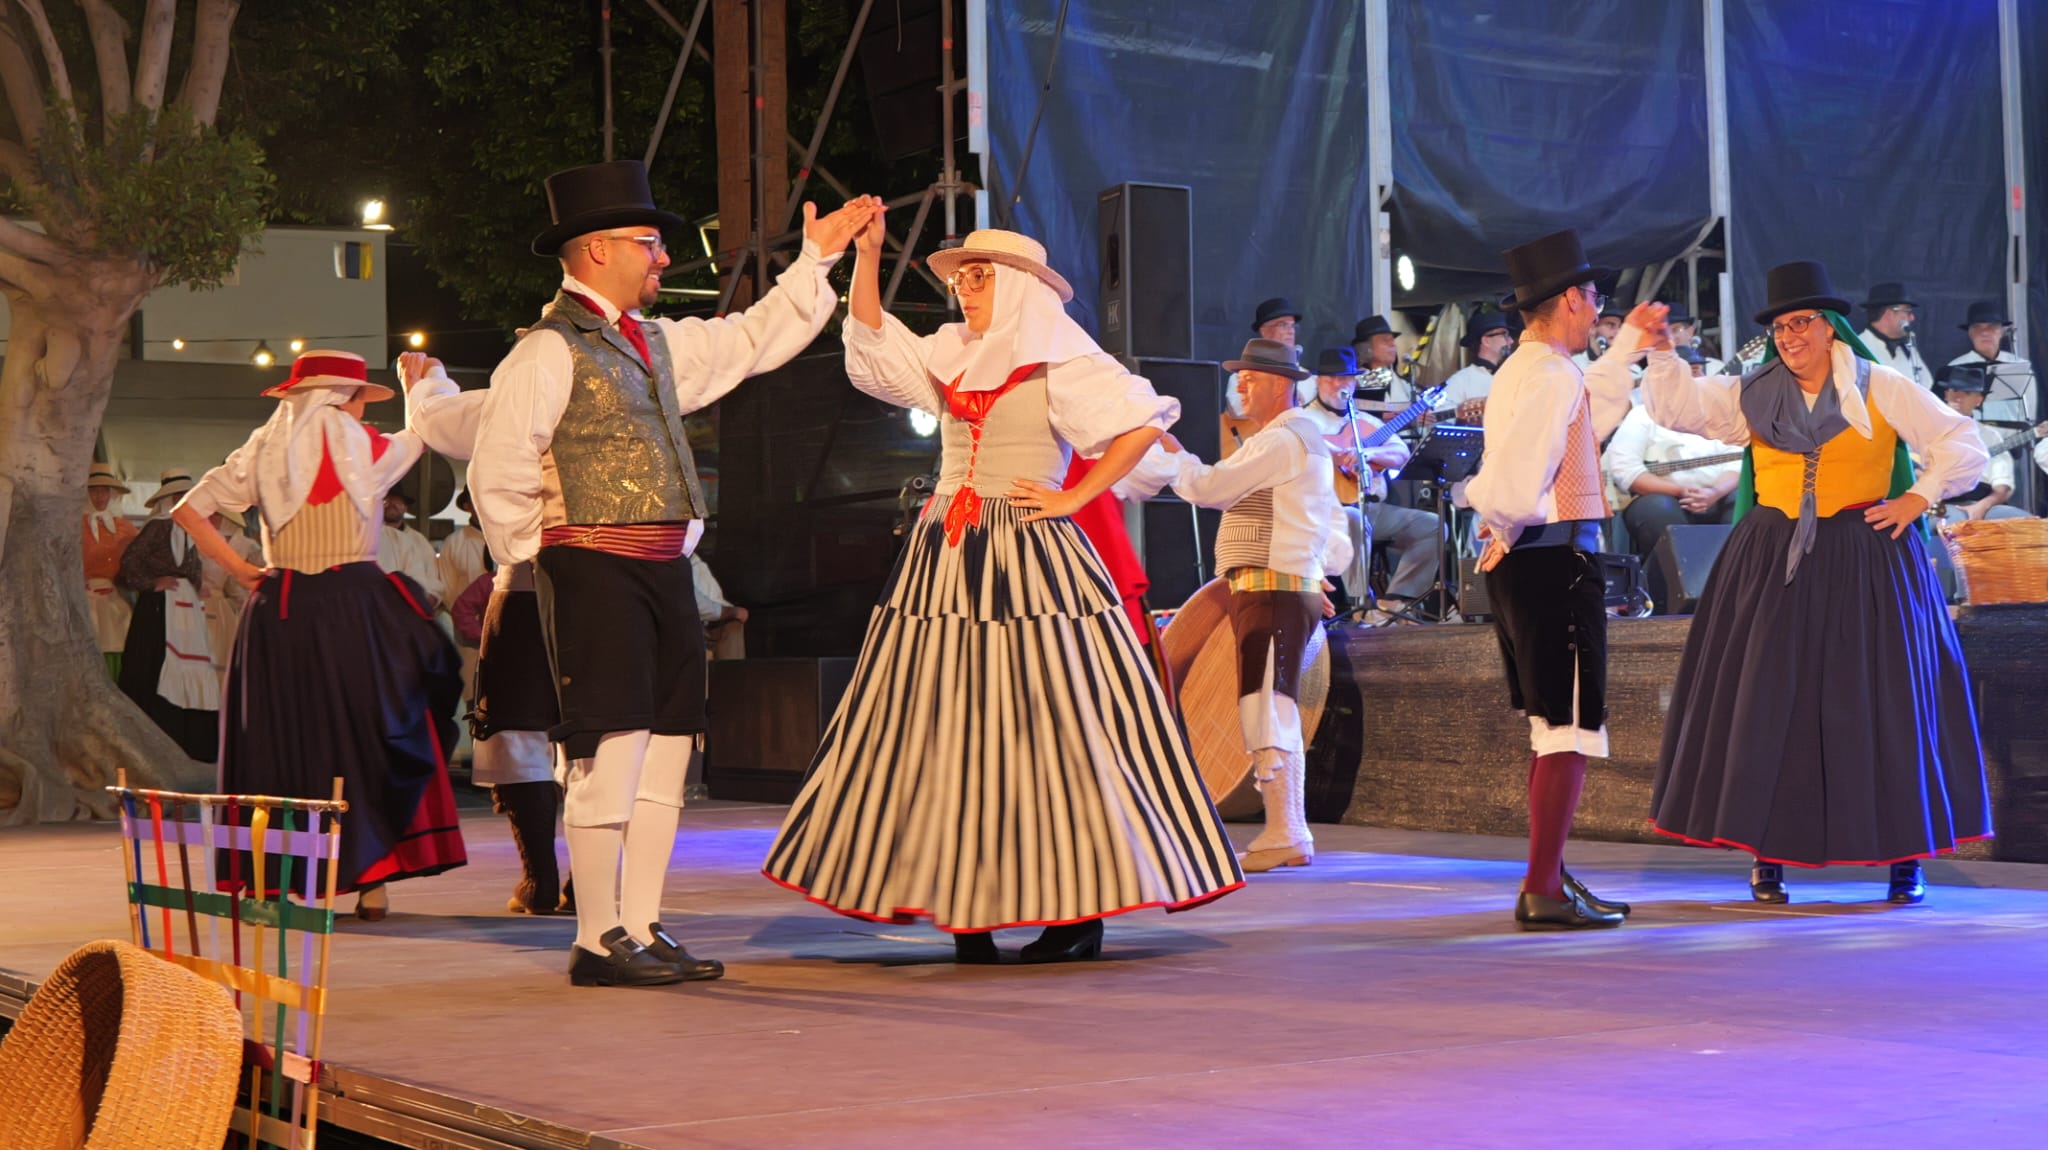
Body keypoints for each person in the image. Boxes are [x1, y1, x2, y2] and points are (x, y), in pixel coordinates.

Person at [763, 223, 1243, 965]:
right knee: (944, 725)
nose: (966, 290)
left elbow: (1145, 422)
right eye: (963, 279)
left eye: (981, 277)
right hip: (946, 557)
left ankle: (1075, 913)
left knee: (1054, 726)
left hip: (1031, 557)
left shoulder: (1061, 358)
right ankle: (970, 911)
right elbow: (874, 343)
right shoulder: (952, 350)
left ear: (1018, 284)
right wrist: (865, 259)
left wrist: (1075, 491)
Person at [468, 158, 877, 987]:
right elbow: (498, 467)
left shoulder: (652, 342)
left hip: (663, 574)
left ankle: (642, 926)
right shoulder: (547, 352)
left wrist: (816, 261)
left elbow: (751, 340)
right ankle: (594, 938)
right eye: (649, 244)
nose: (663, 259)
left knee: (665, 757)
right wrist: (542, 555)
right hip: (593, 570)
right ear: (594, 253)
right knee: (606, 754)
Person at [1646, 261, 1991, 904]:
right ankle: (1766, 854)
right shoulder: (1751, 391)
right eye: (1779, 325)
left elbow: (1962, 441)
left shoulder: (1880, 385)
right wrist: (1662, 351)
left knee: (1883, 701)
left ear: (1830, 328)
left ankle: (1903, 855)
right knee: (1769, 702)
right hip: (1773, 557)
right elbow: (1677, 408)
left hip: (1866, 554)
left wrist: (1917, 497)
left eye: (1800, 322)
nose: (1788, 335)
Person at [170, 350, 470, 922]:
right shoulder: (366, 448)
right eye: (359, 397)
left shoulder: (263, 448)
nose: (361, 408)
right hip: (354, 606)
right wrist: (426, 382)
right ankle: (371, 882)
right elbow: (424, 433)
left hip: (279, 609)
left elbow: (190, 512)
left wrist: (241, 570)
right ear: (342, 398)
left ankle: (271, 881)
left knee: (278, 742)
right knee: (368, 734)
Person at [1465, 229, 1652, 931]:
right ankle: (1542, 885)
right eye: (1595, 298)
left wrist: (1631, 341)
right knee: (1568, 728)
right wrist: (1493, 508)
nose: (1597, 309)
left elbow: (1588, 409)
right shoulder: (1547, 376)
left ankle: (1549, 874)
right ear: (1570, 300)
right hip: (1551, 557)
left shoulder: (1530, 369)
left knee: (1553, 726)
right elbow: (1518, 477)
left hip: (1528, 557)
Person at [1160, 337, 1351, 872]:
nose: (1240, 383)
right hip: (1276, 585)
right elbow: (1330, 526)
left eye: (1253, 376)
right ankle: (1285, 828)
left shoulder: (1282, 439)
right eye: (1239, 375)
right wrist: (1313, 570)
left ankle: (1285, 829)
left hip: (1272, 588)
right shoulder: (1291, 439)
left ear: (1284, 385)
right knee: (1268, 701)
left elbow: (1210, 488)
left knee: (1268, 703)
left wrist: (1175, 457)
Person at [1294, 347, 1441, 620]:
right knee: (1353, 518)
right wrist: (1336, 454)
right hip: (1327, 512)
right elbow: (1302, 448)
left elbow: (1401, 454)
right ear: (1317, 381)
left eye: (1346, 378)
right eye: (1332, 378)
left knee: (1432, 526)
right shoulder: (1302, 419)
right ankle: (1358, 605)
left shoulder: (1366, 422)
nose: (1340, 385)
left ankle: (1394, 602)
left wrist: (1370, 454)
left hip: (1375, 507)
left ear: (1355, 382)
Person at [117, 469, 218, 762]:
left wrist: (194, 588)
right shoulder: (158, 527)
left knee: (194, 667)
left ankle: (192, 742)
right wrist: (153, 583)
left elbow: (194, 567)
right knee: (155, 665)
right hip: (161, 609)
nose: (182, 500)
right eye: (178, 496)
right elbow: (129, 563)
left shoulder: (190, 532)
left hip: (186, 610)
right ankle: (159, 736)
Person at [1604, 402, 1742, 608]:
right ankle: (1671, 599)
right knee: (1659, 510)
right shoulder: (1643, 415)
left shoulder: (1724, 413)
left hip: (1717, 495)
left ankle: (1733, 596)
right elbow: (1626, 470)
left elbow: (1737, 462)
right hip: (1660, 496)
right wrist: (1679, 490)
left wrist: (1714, 492)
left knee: (1741, 508)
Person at [1932, 365, 2032, 524]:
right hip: (1943, 503)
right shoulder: (1927, 431)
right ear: (1945, 394)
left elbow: (2003, 486)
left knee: (2027, 522)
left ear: (1978, 400)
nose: (1958, 397)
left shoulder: (1990, 436)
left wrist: (1982, 506)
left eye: (1966, 393)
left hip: (1986, 503)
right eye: (1954, 390)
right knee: (1950, 524)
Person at [82, 462, 139, 681]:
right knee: (91, 645)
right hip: (85, 598)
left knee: (118, 642)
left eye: (104, 490)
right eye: (94, 490)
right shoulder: (74, 526)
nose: (100, 496)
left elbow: (137, 561)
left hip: (117, 597)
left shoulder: (125, 528)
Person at [196, 509, 262, 680]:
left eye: (217, 515)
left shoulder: (246, 545)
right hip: (198, 605)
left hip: (230, 610)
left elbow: (257, 575)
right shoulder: (199, 541)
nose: (211, 518)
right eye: (209, 514)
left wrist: (246, 601)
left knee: (224, 655)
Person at [1948, 300, 2036, 428]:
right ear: (1970, 333)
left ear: (2001, 331)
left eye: (1991, 327)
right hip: (1974, 442)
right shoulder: (1954, 368)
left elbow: (2029, 410)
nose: (1984, 332)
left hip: (2014, 442)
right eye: (1978, 328)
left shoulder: (2021, 366)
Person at [378, 490, 444, 611]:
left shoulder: (419, 540)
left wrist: (430, 598)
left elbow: (434, 578)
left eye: (398, 501)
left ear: (405, 508)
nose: (392, 504)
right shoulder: (372, 539)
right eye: (388, 499)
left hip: (415, 610)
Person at [1856, 282, 1929, 387]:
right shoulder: (1858, 349)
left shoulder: (1908, 349)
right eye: (1907, 311)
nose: (1912, 318)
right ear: (1889, 313)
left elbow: (1927, 386)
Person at [1438, 310, 1511, 412]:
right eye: (1505, 335)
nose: (1511, 341)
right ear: (1486, 341)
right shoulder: (1461, 381)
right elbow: (1440, 420)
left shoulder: (1515, 374)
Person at [691, 558, 748, 660]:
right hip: (699, 627)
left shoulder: (691, 558)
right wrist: (732, 612)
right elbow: (698, 605)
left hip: (714, 620)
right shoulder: (672, 560)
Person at [1352, 314, 1411, 403]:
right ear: (1366, 348)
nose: (1392, 344)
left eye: (1392, 340)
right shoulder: (1351, 383)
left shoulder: (1405, 385)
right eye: (1385, 340)